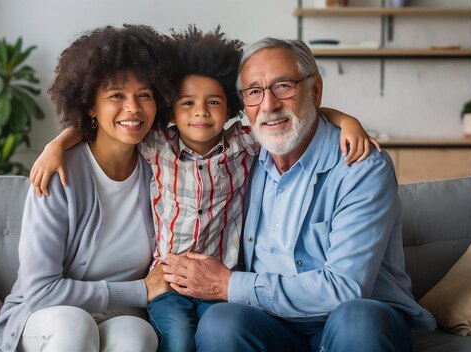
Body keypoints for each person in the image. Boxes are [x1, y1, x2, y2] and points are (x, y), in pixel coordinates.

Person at [30, 27, 380, 352]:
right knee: (184, 338)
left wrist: (347, 121)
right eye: (187, 104)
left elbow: (291, 114)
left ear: (230, 107)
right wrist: (59, 143)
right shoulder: (158, 145)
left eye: (213, 102)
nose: (200, 113)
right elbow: (115, 125)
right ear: (171, 109)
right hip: (170, 284)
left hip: (228, 283)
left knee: (350, 320)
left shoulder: (246, 147)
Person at [161, 38, 437, 352]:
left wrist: (227, 284)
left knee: (358, 320)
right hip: (272, 322)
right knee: (221, 323)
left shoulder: (361, 166)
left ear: (315, 90)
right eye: (254, 92)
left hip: (354, 319)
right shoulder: (242, 158)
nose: (268, 105)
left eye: (283, 86)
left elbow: (346, 288)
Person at [0, 25, 179, 352]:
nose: (133, 108)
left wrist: (62, 138)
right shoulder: (59, 173)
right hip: (47, 315)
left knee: (139, 336)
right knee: (75, 326)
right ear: (90, 105)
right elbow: (41, 290)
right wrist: (140, 291)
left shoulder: (161, 165)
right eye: (116, 95)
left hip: (118, 314)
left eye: (144, 95)